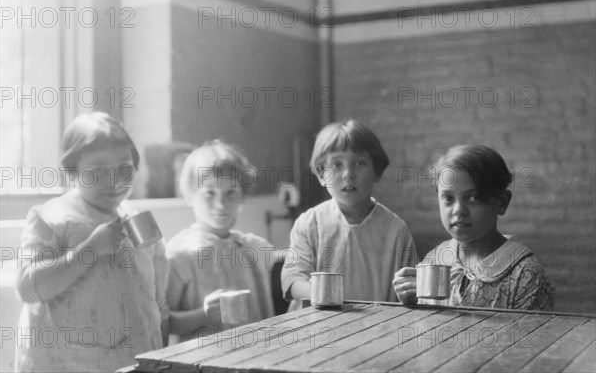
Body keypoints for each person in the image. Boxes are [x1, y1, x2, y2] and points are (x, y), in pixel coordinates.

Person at [15, 112, 169, 373]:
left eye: (125, 169)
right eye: (97, 171)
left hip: (133, 360)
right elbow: (28, 289)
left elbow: (159, 303)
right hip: (67, 364)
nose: (114, 182)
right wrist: (89, 250)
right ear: (72, 172)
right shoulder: (51, 218)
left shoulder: (138, 218)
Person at [393, 144, 555, 310]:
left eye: (473, 197)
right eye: (448, 198)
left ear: (501, 202)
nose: (458, 210)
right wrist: (412, 302)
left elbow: (532, 335)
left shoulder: (525, 274)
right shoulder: (435, 259)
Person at [281, 119, 419, 304]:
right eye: (337, 164)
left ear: (376, 171)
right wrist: (322, 293)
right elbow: (293, 281)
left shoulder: (397, 231)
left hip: (376, 328)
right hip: (317, 328)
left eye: (359, 163)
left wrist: (410, 291)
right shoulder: (309, 224)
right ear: (322, 174)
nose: (348, 174)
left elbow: (411, 288)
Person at [165, 140, 275, 342]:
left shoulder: (255, 248)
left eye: (230, 193)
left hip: (256, 356)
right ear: (190, 196)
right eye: (209, 193)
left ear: (242, 197)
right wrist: (203, 314)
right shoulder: (179, 254)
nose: (220, 204)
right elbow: (163, 321)